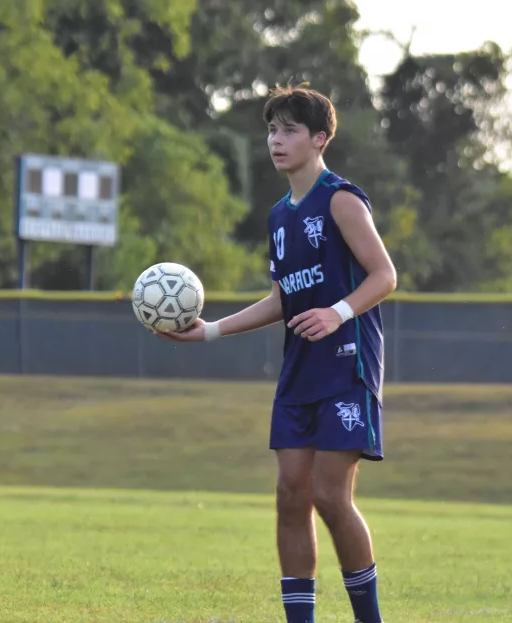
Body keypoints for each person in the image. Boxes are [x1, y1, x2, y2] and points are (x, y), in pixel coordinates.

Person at [159, 83, 397, 623]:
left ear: (320, 138)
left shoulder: (340, 200)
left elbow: (385, 275)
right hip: (299, 371)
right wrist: (211, 331)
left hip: (347, 366)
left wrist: (338, 312)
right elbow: (280, 300)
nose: (276, 140)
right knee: (292, 494)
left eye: (289, 130)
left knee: (330, 496)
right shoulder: (278, 217)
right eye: (271, 130)